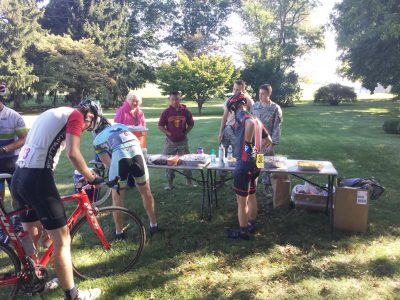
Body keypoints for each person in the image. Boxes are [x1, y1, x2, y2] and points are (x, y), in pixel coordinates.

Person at [11, 100, 104, 300]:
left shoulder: (52, 112)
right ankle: (72, 295)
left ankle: (34, 283)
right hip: (38, 178)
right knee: (62, 240)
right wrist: (90, 177)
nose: (86, 127)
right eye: (89, 125)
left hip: (19, 177)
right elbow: (73, 152)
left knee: (32, 234)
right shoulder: (77, 116)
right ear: (90, 116)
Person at [92, 117, 160, 235]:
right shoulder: (122, 126)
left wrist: (118, 174)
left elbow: (108, 163)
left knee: (117, 198)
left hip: (119, 159)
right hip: (137, 155)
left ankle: (119, 232)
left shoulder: (97, 139)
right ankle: (154, 225)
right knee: (146, 192)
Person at [224, 93, 272, 240]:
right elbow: (268, 139)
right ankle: (251, 223)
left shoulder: (242, 115)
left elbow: (249, 124)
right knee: (251, 195)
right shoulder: (257, 119)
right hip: (258, 160)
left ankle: (243, 231)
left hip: (245, 162)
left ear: (233, 107)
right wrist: (256, 151)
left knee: (241, 200)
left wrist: (247, 145)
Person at [0, 82, 28, 243]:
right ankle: (3, 226)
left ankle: (17, 222)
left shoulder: (13, 116)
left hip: (12, 161)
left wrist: (5, 149)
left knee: (16, 195)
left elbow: (24, 139)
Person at [158, 91, 196, 191]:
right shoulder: (166, 112)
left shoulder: (185, 111)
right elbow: (160, 126)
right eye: (173, 99)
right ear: (169, 100)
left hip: (183, 141)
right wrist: (168, 133)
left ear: (180, 99)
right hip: (170, 142)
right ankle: (169, 183)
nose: (175, 101)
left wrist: (185, 132)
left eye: (177, 99)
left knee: (187, 161)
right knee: (169, 162)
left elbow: (191, 124)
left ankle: (189, 181)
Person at [217, 80, 254, 184]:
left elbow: (250, 117)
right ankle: (222, 178)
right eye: (234, 89)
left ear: (243, 89)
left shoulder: (247, 100)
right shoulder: (229, 100)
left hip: (239, 131)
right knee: (222, 152)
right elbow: (224, 117)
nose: (235, 91)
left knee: (237, 154)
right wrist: (221, 132)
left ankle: (237, 178)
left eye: (238, 90)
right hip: (228, 129)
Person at [251, 84, 283, 195]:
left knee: (268, 166)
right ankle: (253, 185)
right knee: (257, 164)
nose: (260, 96)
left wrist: (272, 144)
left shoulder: (275, 108)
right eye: (259, 93)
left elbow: (277, 127)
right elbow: (250, 124)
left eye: (263, 94)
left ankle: (267, 187)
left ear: (269, 94)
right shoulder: (255, 106)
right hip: (256, 143)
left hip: (268, 142)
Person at [114, 91, 147, 187]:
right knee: (127, 160)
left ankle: (136, 181)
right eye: (133, 101)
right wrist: (128, 128)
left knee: (136, 160)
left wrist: (142, 128)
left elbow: (143, 125)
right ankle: (127, 182)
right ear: (128, 100)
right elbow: (116, 126)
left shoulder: (140, 112)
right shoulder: (122, 111)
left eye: (137, 101)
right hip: (124, 140)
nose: (135, 103)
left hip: (137, 140)